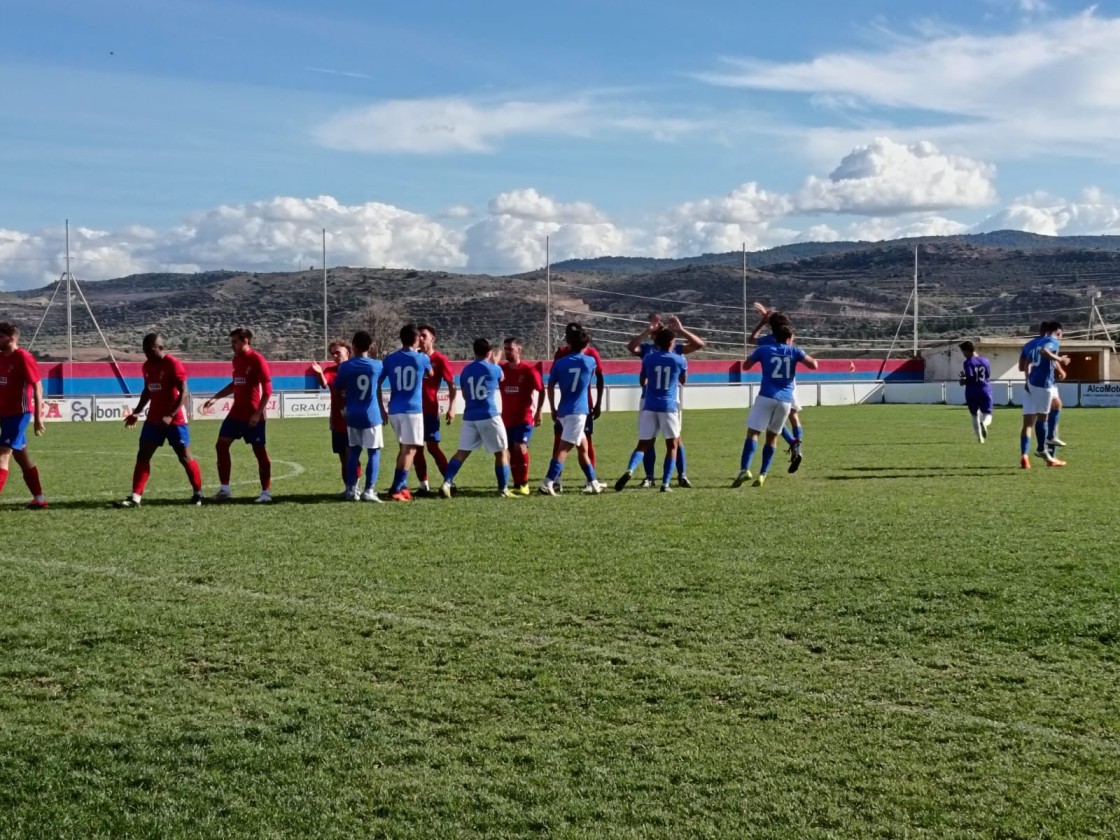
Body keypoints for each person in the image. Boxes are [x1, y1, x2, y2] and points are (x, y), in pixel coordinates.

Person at [113, 332, 204, 507]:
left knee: (184, 457)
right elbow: (147, 390)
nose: (147, 353)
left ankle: (198, 493)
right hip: (153, 419)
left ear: (160, 348)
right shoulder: (147, 366)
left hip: (175, 419)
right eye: (145, 350)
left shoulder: (173, 364)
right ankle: (135, 497)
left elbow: (184, 392)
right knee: (143, 454)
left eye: (151, 350)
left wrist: (170, 415)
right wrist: (137, 412)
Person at [734, 323, 819, 488]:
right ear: (789, 339)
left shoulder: (764, 350)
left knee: (753, 433)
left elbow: (745, 366)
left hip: (766, 396)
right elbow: (813, 365)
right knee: (772, 437)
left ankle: (744, 469)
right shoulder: (794, 351)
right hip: (785, 400)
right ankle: (762, 474)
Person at [626, 314, 705, 488]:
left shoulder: (670, 350)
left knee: (672, 439)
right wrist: (648, 331)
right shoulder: (651, 350)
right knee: (653, 440)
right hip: (661, 401)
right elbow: (632, 347)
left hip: (657, 400)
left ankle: (681, 475)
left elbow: (698, 344)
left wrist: (680, 330)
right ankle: (650, 477)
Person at [203, 327, 274, 503]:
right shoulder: (236, 360)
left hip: (253, 417)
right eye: (231, 342)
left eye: (235, 342)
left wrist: (258, 414)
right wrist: (216, 398)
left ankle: (266, 493)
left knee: (260, 452)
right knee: (221, 446)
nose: (232, 345)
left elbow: (268, 391)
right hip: (236, 414)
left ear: (245, 341)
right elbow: (235, 383)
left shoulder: (257, 360)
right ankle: (225, 490)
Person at [615, 326, 688, 493]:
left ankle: (630, 470)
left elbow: (642, 381)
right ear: (671, 343)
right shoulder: (679, 359)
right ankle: (666, 483)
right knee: (672, 445)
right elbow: (683, 380)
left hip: (649, 406)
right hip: (668, 407)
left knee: (643, 445)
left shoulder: (648, 359)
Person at [439, 338, 513, 498]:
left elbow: (465, 394)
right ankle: (503, 489)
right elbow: (502, 378)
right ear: (488, 352)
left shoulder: (466, 371)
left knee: (461, 453)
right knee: (502, 452)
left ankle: (447, 482)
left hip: (470, 415)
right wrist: (495, 360)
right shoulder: (494, 369)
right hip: (489, 414)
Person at [540, 322, 604, 492]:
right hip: (579, 411)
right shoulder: (589, 361)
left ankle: (593, 482)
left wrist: (553, 408)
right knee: (564, 448)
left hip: (563, 410)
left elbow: (551, 384)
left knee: (583, 448)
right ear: (584, 345)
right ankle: (548, 482)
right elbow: (596, 375)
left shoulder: (560, 362)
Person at [378, 323, 433, 501]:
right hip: (412, 410)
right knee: (410, 450)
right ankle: (396, 489)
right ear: (417, 339)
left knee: (404, 448)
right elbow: (431, 374)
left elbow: (377, 383)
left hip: (394, 409)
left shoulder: (390, 359)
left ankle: (402, 486)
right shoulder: (422, 358)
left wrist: (381, 408)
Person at [750, 302, 806, 473]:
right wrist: (770, 318)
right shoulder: (789, 336)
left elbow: (751, 339)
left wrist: (763, 321)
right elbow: (787, 331)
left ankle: (793, 442)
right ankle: (797, 445)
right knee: (792, 414)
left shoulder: (767, 341)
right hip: (789, 381)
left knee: (772, 421)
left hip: (772, 386)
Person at [0, 322, 48, 509]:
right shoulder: (1, 357)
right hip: (4, 413)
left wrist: (38, 418)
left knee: (3, 454)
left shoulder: (23, 357)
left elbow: (37, 386)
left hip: (18, 414)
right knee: (23, 456)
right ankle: (39, 499)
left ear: (11, 338)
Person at [334, 330, 384, 502]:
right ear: (369, 347)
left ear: (353, 346)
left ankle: (351, 490)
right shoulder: (377, 365)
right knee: (374, 452)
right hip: (371, 416)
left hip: (352, 415)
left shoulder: (345, 366)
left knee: (354, 452)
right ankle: (369, 490)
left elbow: (338, 385)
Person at [1018, 321, 1069, 469]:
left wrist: (1027, 379)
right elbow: (1046, 352)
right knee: (1046, 415)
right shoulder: (1050, 341)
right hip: (1044, 384)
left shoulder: (1030, 344)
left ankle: (1025, 456)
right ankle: (1046, 450)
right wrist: (1060, 361)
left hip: (1031, 384)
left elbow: (1023, 365)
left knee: (1029, 423)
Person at [413, 324, 457, 495]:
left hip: (430, 410)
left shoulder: (440, 359)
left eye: (424, 335)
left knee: (432, 447)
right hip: (413, 411)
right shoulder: (414, 357)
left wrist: (452, 407)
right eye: (419, 336)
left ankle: (449, 481)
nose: (421, 338)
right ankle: (423, 485)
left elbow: (452, 385)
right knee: (416, 448)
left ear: (433, 339)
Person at [310, 339, 355, 496]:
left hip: (354, 420)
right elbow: (324, 382)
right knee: (343, 457)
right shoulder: (330, 371)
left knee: (352, 455)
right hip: (337, 421)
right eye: (333, 353)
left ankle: (356, 487)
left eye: (338, 352)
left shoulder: (355, 368)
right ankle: (348, 488)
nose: (335, 356)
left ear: (348, 353)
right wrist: (319, 372)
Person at [500, 336, 543, 495]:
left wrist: (539, 410)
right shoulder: (501, 370)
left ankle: (525, 483)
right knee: (511, 449)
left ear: (519, 350)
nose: (507, 352)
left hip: (525, 417)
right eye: (505, 349)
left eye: (510, 348)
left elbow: (541, 390)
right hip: (507, 418)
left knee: (520, 446)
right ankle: (517, 483)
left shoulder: (528, 370)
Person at [958, 340, 993, 443]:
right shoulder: (985, 360)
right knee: (988, 414)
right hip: (985, 389)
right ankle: (985, 424)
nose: (963, 354)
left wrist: (963, 381)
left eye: (963, 351)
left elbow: (971, 377)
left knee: (974, 415)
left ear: (968, 350)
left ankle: (980, 438)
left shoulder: (968, 362)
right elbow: (988, 374)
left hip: (972, 391)